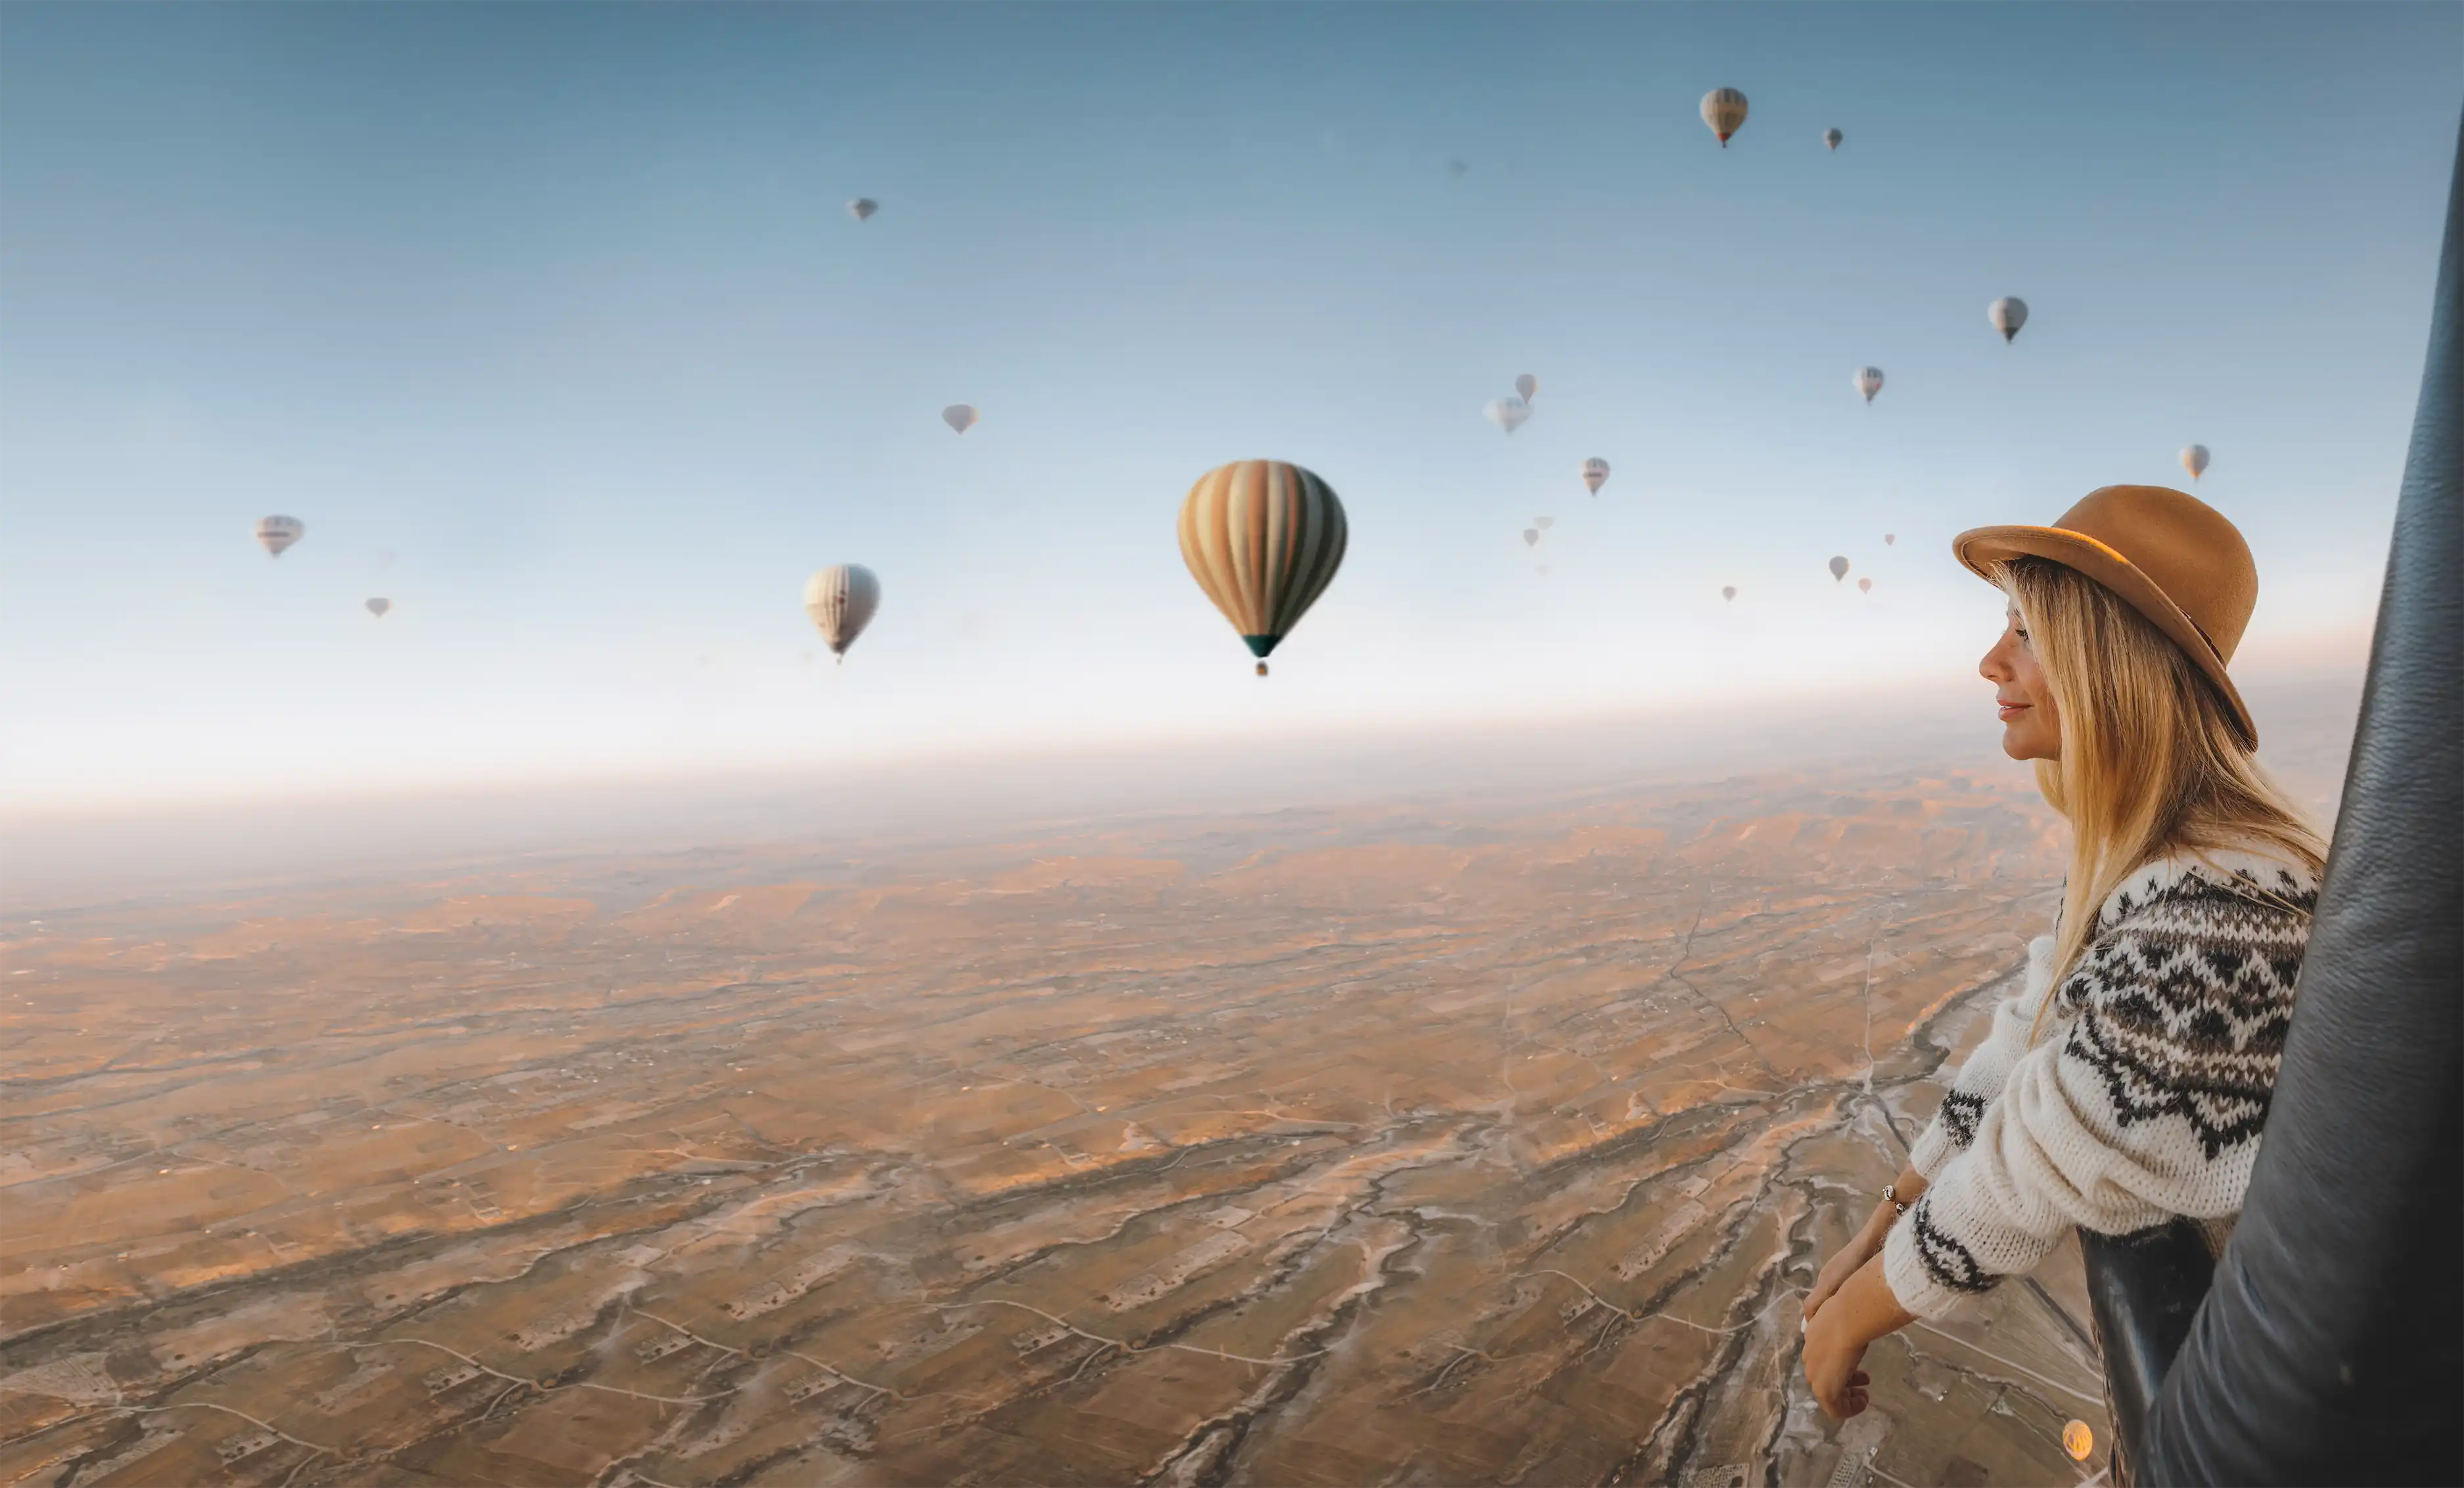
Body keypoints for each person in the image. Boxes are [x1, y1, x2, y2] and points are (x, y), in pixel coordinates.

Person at [1798, 485, 2327, 1423]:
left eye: (2027, 632)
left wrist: (1846, 1320)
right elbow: (2028, 1038)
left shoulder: (2220, 914)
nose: (1989, 662)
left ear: (2107, 663)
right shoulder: (2149, 861)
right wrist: (1885, 1219)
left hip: (2295, 1415)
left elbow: (2041, 1159)